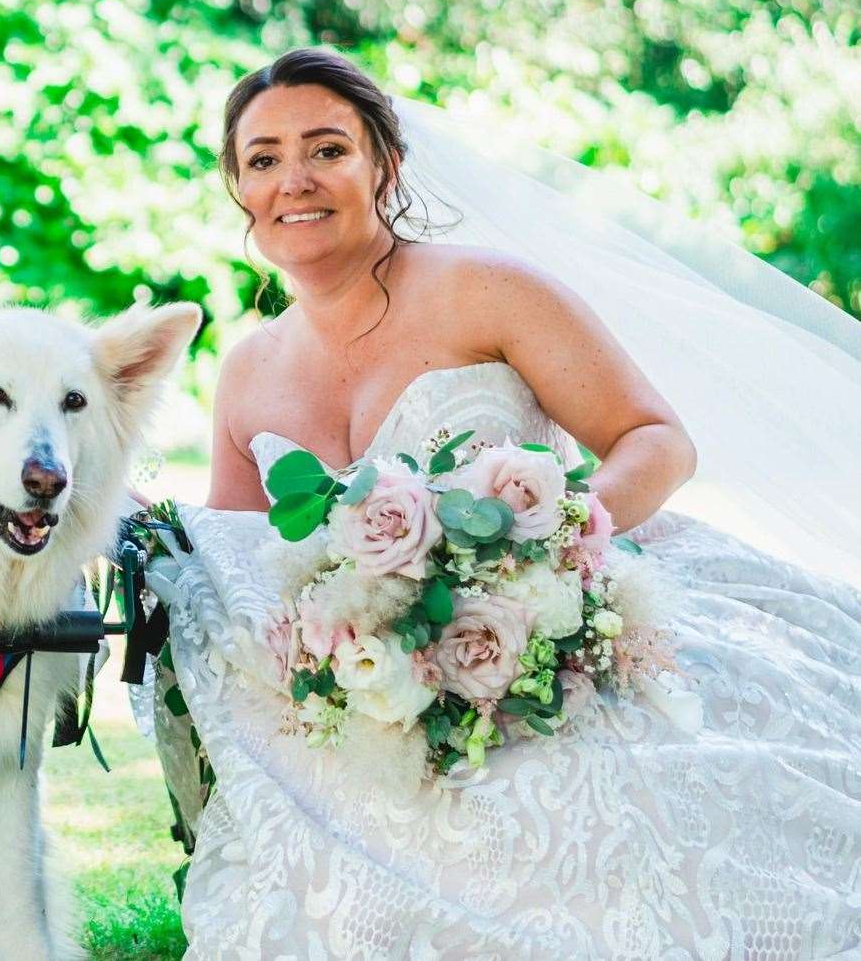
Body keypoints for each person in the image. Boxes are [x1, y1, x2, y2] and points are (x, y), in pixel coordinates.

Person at [147, 48, 861, 957]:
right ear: (239, 189)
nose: (296, 179)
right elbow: (245, 566)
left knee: (627, 810)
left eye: (327, 149)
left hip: (567, 622)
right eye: (263, 159)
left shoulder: (485, 290)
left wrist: (554, 540)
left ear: (384, 164)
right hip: (389, 689)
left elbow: (655, 438)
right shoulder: (248, 371)